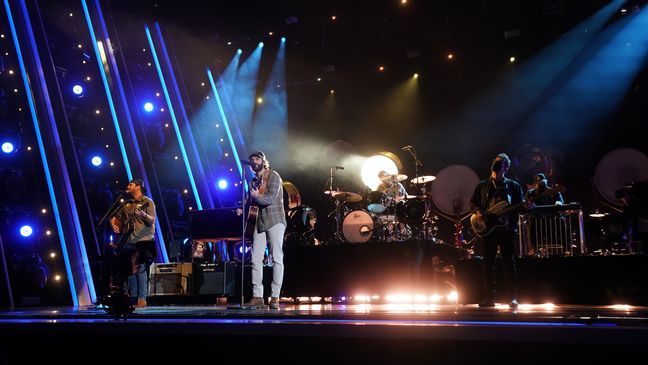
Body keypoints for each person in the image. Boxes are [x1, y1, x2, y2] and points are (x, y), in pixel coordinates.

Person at [470, 153, 524, 308]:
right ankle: (489, 298)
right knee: (488, 264)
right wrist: (478, 211)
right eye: (495, 162)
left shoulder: (513, 186)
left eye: (500, 163)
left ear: (506, 167)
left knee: (509, 263)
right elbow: (472, 202)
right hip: (488, 229)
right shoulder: (482, 185)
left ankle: (512, 298)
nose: (496, 165)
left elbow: (520, 207)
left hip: (507, 229)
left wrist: (528, 207)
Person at [244, 151, 287, 310]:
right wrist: (244, 208)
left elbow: (270, 198)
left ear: (263, 161)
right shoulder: (253, 181)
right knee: (255, 258)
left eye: (256, 159)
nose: (254, 161)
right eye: (251, 160)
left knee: (276, 257)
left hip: (275, 219)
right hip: (259, 221)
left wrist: (255, 197)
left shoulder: (273, 176)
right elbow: (251, 201)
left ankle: (275, 296)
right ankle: (257, 297)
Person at [110, 178, 156, 308]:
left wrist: (143, 214)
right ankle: (133, 298)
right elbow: (113, 217)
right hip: (129, 239)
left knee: (140, 268)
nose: (128, 186)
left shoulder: (147, 202)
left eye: (130, 184)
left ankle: (142, 299)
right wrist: (113, 224)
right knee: (130, 269)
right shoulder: (127, 203)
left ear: (138, 187)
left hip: (144, 239)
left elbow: (152, 220)